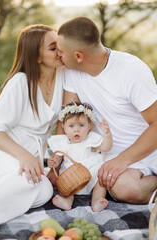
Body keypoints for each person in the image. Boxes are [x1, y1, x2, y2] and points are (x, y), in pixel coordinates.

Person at [56, 17, 157, 204]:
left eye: (61, 51)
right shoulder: (72, 71)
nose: (58, 55)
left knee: (124, 189)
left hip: (144, 154)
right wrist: (59, 162)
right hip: (102, 155)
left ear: (79, 56)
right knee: (107, 183)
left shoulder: (131, 71)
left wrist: (122, 160)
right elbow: (67, 118)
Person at [0, 24, 64, 224]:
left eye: (60, 46)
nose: (60, 52)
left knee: (43, 190)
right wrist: (24, 157)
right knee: (32, 183)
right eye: (53, 48)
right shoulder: (20, 82)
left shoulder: (63, 76)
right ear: (37, 56)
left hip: (35, 160)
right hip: (8, 152)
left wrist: (55, 158)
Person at [47, 102, 112, 212]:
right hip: (71, 175)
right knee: (64, 184)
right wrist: (54, 162)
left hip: (92, 171)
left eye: (81, 125)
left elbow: (106, 147)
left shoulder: (90, 139)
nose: (76, 130)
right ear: (64, 127)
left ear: (89, 126)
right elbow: (58, 158)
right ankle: (67, 201)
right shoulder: (63, 142)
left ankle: (96, 201)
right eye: (71, 126)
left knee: (100, 182)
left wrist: (107, 134)